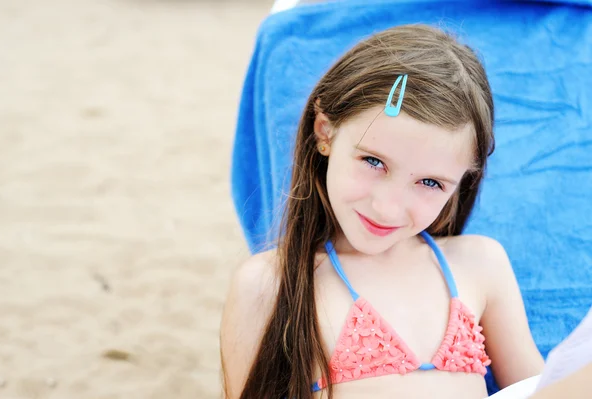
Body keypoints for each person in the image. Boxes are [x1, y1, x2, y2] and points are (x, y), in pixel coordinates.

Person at [220, 24, 544, 399]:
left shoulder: (479, 264)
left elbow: (541, 390)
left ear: (462, 181)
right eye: (373, 161)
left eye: (430, 183)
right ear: (325, 132)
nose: (387, 206)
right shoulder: (269, 286)